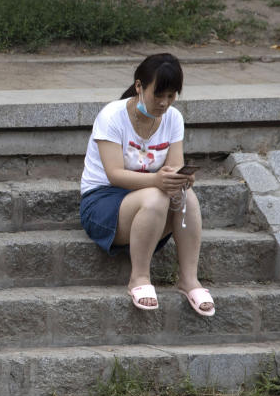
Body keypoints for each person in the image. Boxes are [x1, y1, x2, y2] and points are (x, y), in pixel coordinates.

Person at [78, 53, 214, 316]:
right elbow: (115, 174)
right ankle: (139, 278)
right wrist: (156, 180)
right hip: (104, 204)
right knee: (156, 196)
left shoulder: (173, 119)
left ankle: (189, 280)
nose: (164, 103)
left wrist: (182, 178)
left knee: (187, 196)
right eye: (158, 95)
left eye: (171, 96)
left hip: (151, 206)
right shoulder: (112, 116)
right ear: (139, 86)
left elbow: (173, 167)